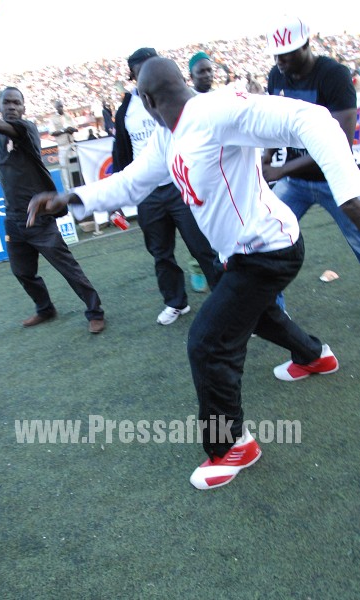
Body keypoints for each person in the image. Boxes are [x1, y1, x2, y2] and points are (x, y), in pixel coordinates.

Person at [27, 57, 360, 491]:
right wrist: (71, 198)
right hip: (242, 253)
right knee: (257, 316)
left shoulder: (217, 111)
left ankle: (232, 447)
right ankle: (314, 356)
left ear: (147, 101)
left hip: (268, 251)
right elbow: (132, 182)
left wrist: (349, 193)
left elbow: (312, 119)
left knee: (207, 343)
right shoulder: (168, 135)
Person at [0, 66, 105, 334]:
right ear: (0, 106)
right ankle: (45, 309)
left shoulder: (25, 129)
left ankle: (95, 312)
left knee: (68, 269)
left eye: (16, 103)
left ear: (24, 108)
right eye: (7, 102)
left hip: (39, 218)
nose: (12, 107)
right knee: (22, 272)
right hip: (13, 220)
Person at [111, 47, 219, 325]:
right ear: (133, 76)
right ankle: (175, 302)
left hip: (180, 184)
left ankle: (228, 300)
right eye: (140, 72)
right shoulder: (126, 110)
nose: (148, 74)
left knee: (202, 247)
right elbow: (121, 153)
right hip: (148, 193)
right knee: (160, 253)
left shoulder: (179, 97)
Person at [262, 14, 360, 284]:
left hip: (335, 178)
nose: (279, 61)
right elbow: (274, 121)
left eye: (286, 54)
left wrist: (281, 170)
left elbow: (339, 143)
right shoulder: (276, 76)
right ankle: (271, 309)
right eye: (276, 55)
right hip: (295, 180)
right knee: (265, 239)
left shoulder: (333, 74)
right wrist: (267, 155)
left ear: (305, 44)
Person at [187, 51, 216, 293]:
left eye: (209, 70)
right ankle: (197, 267)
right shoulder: (187, 102)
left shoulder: (220, 98)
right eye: (201, 71)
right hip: (196, 174)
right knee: (200, 229)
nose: (207, 75)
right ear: (191, 76)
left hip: (220, 172)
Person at [49, 99, 78, 192]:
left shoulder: (68, 116)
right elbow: (52, 132)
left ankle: (77, 186)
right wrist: (63, 130)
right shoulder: (53, 118)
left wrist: (71, 129)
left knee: (75, 166)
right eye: (59, 107)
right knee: (65, 169)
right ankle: (68, 190)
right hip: (63, 146)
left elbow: (76, 128)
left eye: (61, 106)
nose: (61, 108)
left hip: (72, 145)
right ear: (56, 107)